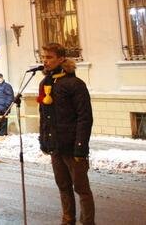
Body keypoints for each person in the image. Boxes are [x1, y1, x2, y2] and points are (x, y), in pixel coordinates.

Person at [38, 43, 94, 225]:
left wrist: (80, 146)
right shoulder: (46, 83)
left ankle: (87, 222)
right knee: (63, 186)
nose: (45, 61)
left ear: (61, 59)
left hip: (71, 145)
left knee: (81, 188)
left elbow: (84, 118)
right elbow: (45, 116)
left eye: (49, 57)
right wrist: (44, 139)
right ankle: (67, 219)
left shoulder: (75, 84)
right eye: (44, 57)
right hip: (56, 145)